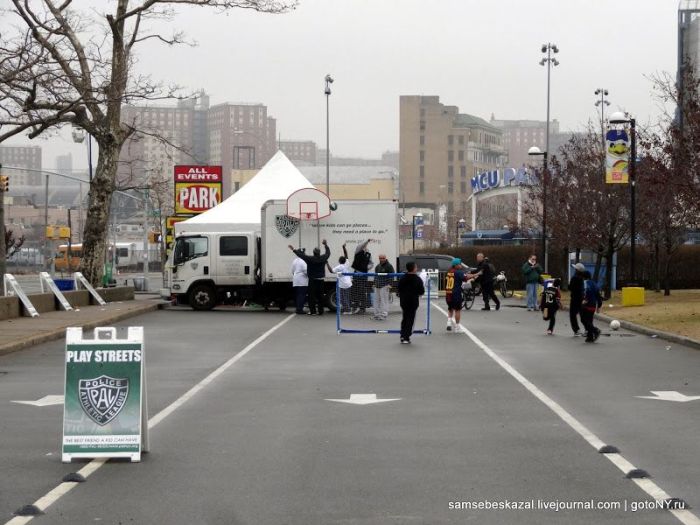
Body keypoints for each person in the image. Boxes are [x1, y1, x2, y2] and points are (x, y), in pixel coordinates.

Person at [288, 240, 331, 316]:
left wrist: (293, 249)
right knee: (320, 296)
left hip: (312, 280)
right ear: (319, 253)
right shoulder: (323, 258)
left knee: (311, 296)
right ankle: (320, 311)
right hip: (321, 280)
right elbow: (328, 253)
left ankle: (313, 311)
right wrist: (326, 245)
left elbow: (301, 256)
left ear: (313, 252)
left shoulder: (310, 259)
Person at [398, 261, 425, 344]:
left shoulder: (402, 278)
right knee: (410, 319)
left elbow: (399, 289)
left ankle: (402, 335)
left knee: (405, 318)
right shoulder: (417, 279)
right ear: (413, 269)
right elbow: (421, 291)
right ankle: (406, 337)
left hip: (404, 301)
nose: (416, 269)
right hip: (413, 302)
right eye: (416, 267)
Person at [351, 239, 374, 313]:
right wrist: (367, 241)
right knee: (355, 292)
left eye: (366, 247)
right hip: (356, 274)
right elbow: (361, 245)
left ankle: (362, 308)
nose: (365, 247)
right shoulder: (358, 251)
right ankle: (355, 307)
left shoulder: (368, 254)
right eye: (364, 246)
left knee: (362, 292)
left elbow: (371, 263)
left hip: (364, 275)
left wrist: (367, 267)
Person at [445, 258, 467, 332]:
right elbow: (465, 278)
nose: (461, 265)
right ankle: (457, 327)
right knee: (457, 310)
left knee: (450, 308)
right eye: (460, 264)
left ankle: (448, 322)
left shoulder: (449, 271)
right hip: (456, 293)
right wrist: (475, 275)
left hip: (448, 293)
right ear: (456, 265)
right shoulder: (458, 272)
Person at [581, 271, 603, 343]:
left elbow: (587, 291)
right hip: (593, 305)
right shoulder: (594, 284)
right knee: (589, 320)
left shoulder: (585, 283)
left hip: (586, 304)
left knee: (584, 320)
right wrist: (599, 305)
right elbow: (598, 295)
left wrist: (585, 299)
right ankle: (590, 337)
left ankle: (595, 330)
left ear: (584, 277)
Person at [373, 254, 395, 320]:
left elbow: (392, 275)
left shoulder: (389, 266)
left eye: (383, 258)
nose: (381, 259)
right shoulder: (377, 266)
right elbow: (375, 276)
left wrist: (390, 284)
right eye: (380, 258)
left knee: (384, 300)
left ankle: (384, 314)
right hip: (377, 285)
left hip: (385, 285)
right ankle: (376, 314)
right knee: (377, 300)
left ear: (385, 258)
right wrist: (374, 283)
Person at [569, 262, 586, 336]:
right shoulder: (582, 278)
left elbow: (570, 287)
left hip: (575, 298)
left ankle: (576, 330)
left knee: (572, 315)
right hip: (581, 297)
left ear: (577, 270)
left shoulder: (574, 277)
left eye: (575, 269)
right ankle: (587, 329)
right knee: (582, 315)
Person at [290, 250, 308, 314]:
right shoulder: (303, 261)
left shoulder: (295, 261)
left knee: (297, 295)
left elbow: (292, 270)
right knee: (301, 295)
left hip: (295, 280)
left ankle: (298, 308)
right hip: (302, 280)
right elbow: (306, 271)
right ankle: (300, 309)